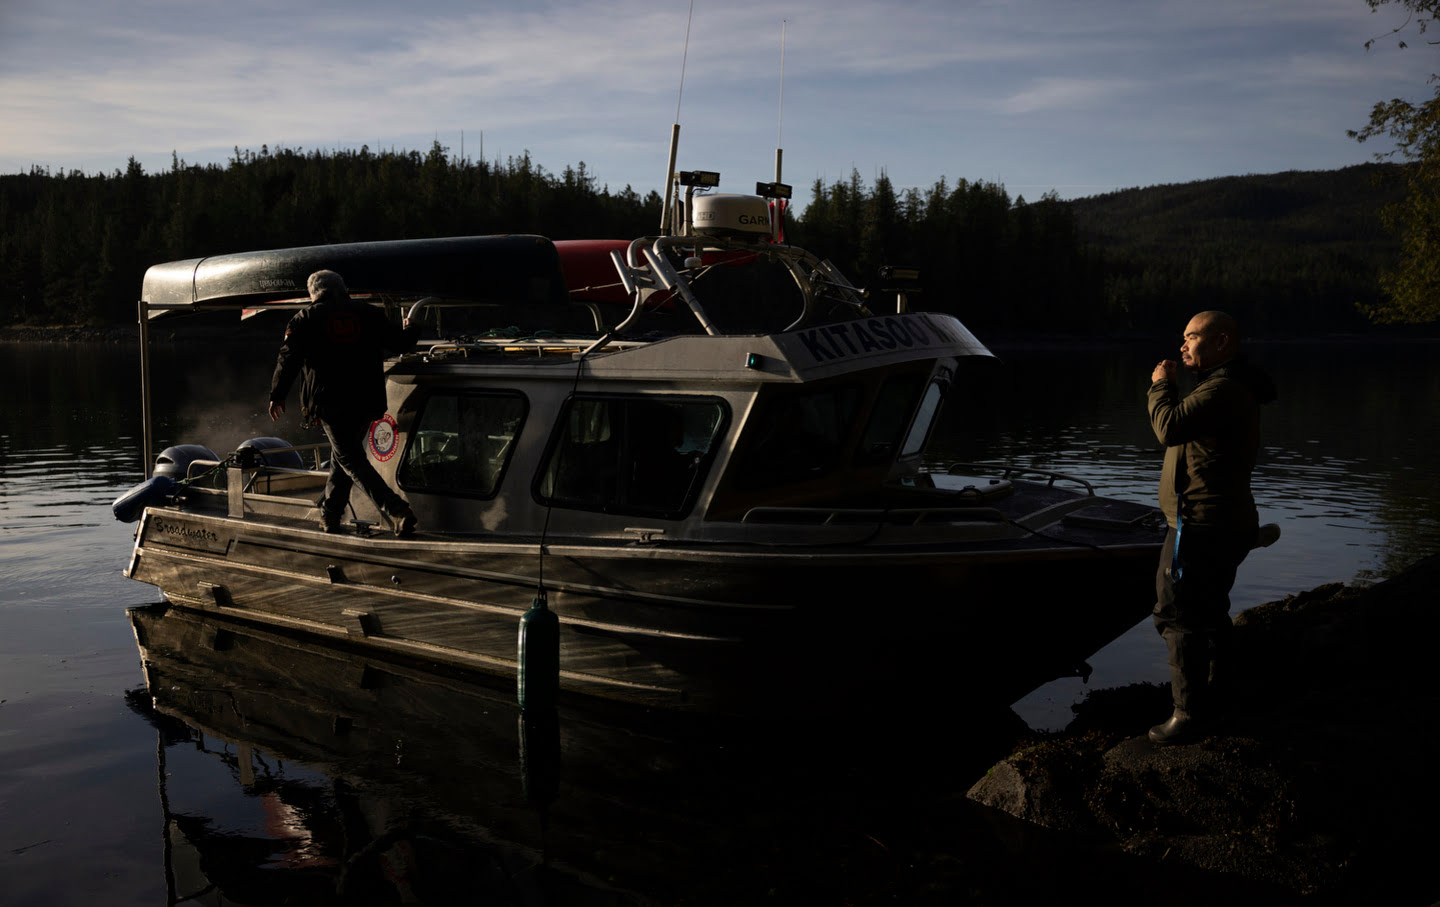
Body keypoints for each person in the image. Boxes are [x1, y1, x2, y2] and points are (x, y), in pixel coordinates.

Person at [1146, 310, 1276, 746]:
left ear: (1221, 343)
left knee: (1177, 613)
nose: (1182, 346)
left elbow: (1169, 427)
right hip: (1221, 520)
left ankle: (1189, 715)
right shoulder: (1227, 385)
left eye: (1191, 337)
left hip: (1200, 525)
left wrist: (1161, 385)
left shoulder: (1223, 390)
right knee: (1208, 609)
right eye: (1181, 338)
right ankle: (1220, 699)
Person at [268, 270, 420, 536]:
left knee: (349, 458)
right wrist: (412, 327)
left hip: (330, 404)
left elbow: (288, 359)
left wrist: (277, 395)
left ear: (313, 293)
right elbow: (400, 342)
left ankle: (397, 510)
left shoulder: (304, 319)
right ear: (343, 288)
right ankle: (330, 517)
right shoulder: (368, 313)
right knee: (343, 458)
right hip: (366, 401)